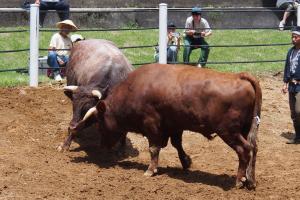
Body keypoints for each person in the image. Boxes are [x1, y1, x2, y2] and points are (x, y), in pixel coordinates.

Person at [282, 26, 300, 144]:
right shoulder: (290, 52)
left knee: (299, 111)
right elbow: (287, 68)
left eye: (296, 37)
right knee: (293, 113)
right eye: (292, 37)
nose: (293, 39)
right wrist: (285, 83)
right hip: (292, 86)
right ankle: (298, 136)